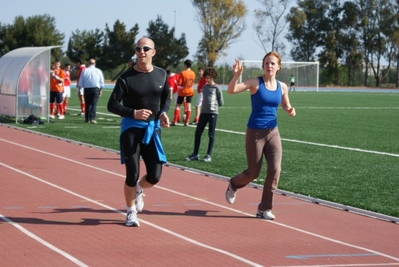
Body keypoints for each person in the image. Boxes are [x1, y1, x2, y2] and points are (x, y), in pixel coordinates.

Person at [107, 37, 171, 227]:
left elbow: (166, 96)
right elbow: (112, 104)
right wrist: (133, 113)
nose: (141, 52)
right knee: (132, 173)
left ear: (153, 52)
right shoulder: (126, 78)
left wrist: (164, 112)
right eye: (138, 49)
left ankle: (139, 189)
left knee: (155, 176)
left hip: (152, 129)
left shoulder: (161, 74)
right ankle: (130, 212)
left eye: (145, 48)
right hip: (131, 130)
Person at [225, 52, 296, 220]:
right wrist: (236, 76)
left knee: (275, 169)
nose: (269, 66)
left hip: (273, 132)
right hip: (255, 132)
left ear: (278, 66)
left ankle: (264, 208)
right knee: (253, 172)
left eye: (272, 63)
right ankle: (234, 183)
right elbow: (231, 90)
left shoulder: (282, 86)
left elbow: (285, 104)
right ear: (263, 66)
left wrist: (290, 110)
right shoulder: (255, 83)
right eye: (266, 63)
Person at [186, 67, 223, 163]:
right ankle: (195, 154)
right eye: (206, 77)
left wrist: (214, 107)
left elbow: (221, 101)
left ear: (213, 77)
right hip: (203, 113)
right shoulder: (204, 87)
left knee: (211, 134)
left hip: (213, 113)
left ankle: (208, 155)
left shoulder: (217, 88)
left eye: (210, 77)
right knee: (198, 133)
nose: (208, 79)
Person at [77, 59, 104, 124]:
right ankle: (93, 118)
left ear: (88, 63)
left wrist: (80, 88)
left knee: (87, 104)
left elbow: (80, 82)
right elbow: (101, 82)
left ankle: (87, 118)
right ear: (95, 63)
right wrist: (100, 90)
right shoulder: (98, 71)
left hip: (87, 89)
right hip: (96, 89)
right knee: (94, 104)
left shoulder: (84, 71)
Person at [171, 59, 195, 126]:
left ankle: (175, 121)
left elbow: (179, 83)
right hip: (190, 90)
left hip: (183, 91)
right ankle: (187, 122)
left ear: (185, 65)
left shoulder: (183, 73)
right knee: (188, 106)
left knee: (178, 105)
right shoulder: (193, 73)